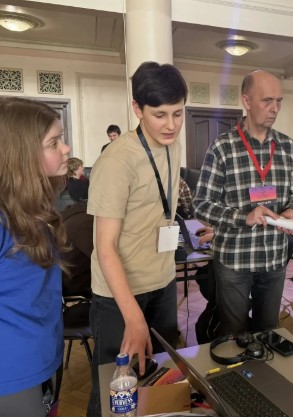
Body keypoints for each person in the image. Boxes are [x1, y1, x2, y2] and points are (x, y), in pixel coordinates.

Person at [86, 62, 188, 416]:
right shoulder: (117, 161)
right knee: (113, 392)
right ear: (137, 109)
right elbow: (105, 247)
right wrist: (133, 316)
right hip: (120, 295)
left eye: (178, 113)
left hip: (162, 282)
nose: (171, 124)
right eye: (160, 115)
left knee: (158, 384)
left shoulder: (172, 145)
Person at [192, 69, 293, 335]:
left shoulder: (287, 146)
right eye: (267, 100)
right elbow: (201, 203)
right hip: (235, 260)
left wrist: (292, 210)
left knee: (268, 331)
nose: (275, 108)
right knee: (234, 335)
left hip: (274, 257)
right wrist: (244, 217)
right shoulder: (222, 147)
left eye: (279, 101)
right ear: (246, 101)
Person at [0, 97, 71, 415]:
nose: (66, 149)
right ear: (22, 155)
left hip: (44, 355)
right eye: (54, 143)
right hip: (11, 374)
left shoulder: (34, 209)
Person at [60, 201, 93, 298]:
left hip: (62, 281)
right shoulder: (85, 222)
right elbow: (105, 261)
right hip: (71, 285)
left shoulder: (72, 215)